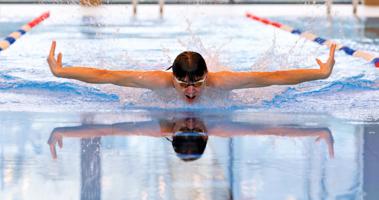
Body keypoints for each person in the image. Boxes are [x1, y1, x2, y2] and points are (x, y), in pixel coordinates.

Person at [47, 41, 336, 103]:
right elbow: (106, 75)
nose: (190, 91)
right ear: (171, 77)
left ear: (206, 76)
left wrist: (320, 74)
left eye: (197, 83)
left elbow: (273, 78)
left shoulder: (220, 82)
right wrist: (62, 73)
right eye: (183, 84)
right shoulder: (157, 81)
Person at [48, 115, 334, 161]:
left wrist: (63, 132)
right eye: (196, 130)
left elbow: (106, 130)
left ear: (172, 134)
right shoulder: (219, 127)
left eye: (187, 129)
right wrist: (318, 131)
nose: (190, 123)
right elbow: (271, 130)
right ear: (208, 135)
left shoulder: (160, 126)